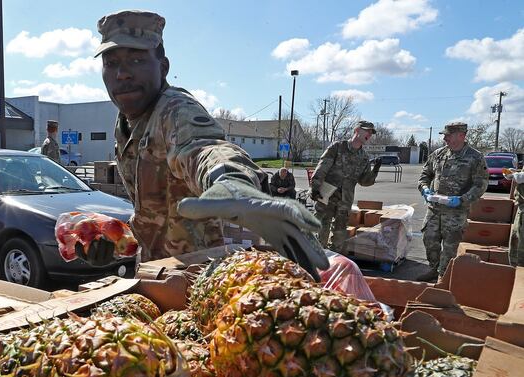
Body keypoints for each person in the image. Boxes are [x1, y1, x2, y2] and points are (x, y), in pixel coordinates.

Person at [80, 9, 327, 279]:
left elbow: (204, 147)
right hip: (156, 276)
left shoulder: (174, 110)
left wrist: (232, 181)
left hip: (198, 280)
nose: (122, 74)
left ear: (163, 68)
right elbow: (154, 214)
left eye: (137, 59)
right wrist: (115, 242)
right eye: (111, 62)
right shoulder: (128, 123)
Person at [417, 122, 488, 281]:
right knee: (429, 241)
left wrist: (462, 200)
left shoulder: (475, 157)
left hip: (456, 212)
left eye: (448, 135)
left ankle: (444, 277)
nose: (445, 138)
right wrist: (424, 189)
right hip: (434, 210)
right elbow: (425, 176)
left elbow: (480, 184)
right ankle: (434, 269)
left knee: (450, 247)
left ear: (461, 136)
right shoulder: (438, 154)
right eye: (445, 135)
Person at [309, 121, 382, 252]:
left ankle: (333, 264)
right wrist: (315, 187)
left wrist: (375, 170)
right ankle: (314, 262)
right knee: (321, 231)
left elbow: (364, 181)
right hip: (326, 196)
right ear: (357, 130)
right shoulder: (337, 147)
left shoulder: (364, 157)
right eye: (367, 131)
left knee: (340, 236)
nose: (369, 135)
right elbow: (322, 168)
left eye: (371, 133)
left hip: (344, 201)